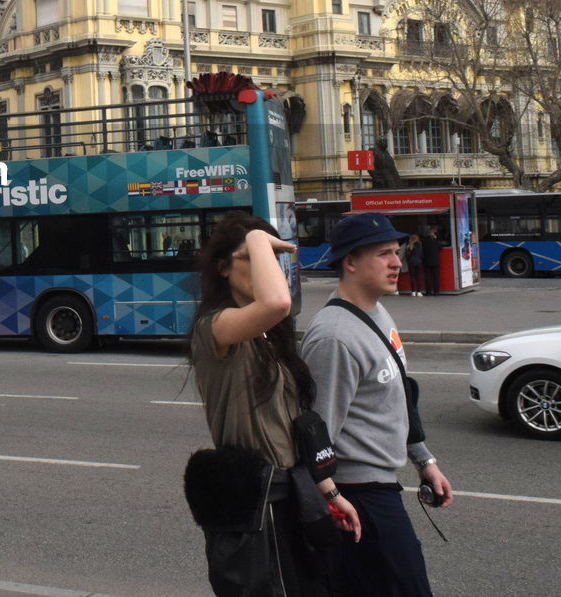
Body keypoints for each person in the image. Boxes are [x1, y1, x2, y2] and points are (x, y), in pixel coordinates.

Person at [189, 213, 360, 596]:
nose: (266, 265)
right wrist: (255, 236)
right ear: (222, 268)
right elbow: (278, 301)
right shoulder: (213, 327)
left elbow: (296, 425)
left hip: (293, 493)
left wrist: (330, 493)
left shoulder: (271, 335)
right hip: (255, 503)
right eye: (252, 256)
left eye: (269, 257)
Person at [301, 213, 453, 597]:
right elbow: (317, 433)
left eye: (397, 252)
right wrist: (334, 500)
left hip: (382, 485)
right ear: (350, 262)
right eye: (384, 253)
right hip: (360, 496)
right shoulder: (334, 337)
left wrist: (424, 460)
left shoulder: (377, 313)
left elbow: (399, 395)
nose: (397, 262)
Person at [421, 225, 443, 296]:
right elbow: (440, 247)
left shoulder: (424, 241)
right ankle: (436, 292)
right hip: (435, 261)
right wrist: (436, 238)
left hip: (426, 261)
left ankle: (428, 292)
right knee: (436, 277)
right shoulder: (435, 241)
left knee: (427, 277)